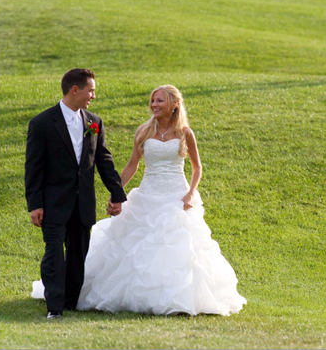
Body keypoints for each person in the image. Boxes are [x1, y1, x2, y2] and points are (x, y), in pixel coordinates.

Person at [34, 84, 247, 316]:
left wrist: (190, 194)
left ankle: (179, 297)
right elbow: (132, 165)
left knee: (179, 246)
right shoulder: (144, 131)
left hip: (177, 196)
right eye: (152, 101)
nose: (154, 105)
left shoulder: (185, 133)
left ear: (175, 104)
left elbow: (197, 168)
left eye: (160, 101)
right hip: (147, 194)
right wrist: (118, 193)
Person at [25, 68, 127, 319]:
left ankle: (70, 301)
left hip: (83, 203)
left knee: (78, 255)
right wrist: (35, 204)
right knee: (53, 254)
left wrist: (117, 193)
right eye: (90, 90)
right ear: (75, 90)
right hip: (52, 204)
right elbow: (33, 168)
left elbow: (103, 160)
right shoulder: (41, 123)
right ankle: (55, 308)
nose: (93, 95)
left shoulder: (94, 121)